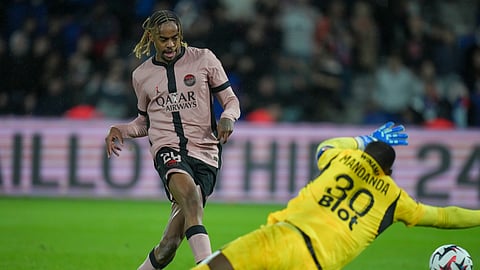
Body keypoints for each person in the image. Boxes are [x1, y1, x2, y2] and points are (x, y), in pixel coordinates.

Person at [193, 122, 480, 270]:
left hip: (281, 235)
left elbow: (325, 146)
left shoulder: (343, 159)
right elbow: (444, 216)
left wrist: (362, 140)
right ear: (389, 171)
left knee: (215, 267)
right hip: (315, 264)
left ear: (364, 154)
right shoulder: (395, 198)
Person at [104, 10, 241, 270]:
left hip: (206, 153)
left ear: (181, 36)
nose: (170, 45)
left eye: (175, 38)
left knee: (169, 245)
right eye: (163, 39)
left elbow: (231, 100)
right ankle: (206, 266)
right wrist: (120, 129)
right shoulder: (142, 75)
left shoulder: (204, 59)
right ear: (151, 38)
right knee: (189, 196)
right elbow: (144, 122)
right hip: (168, 149)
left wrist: (228, 117)